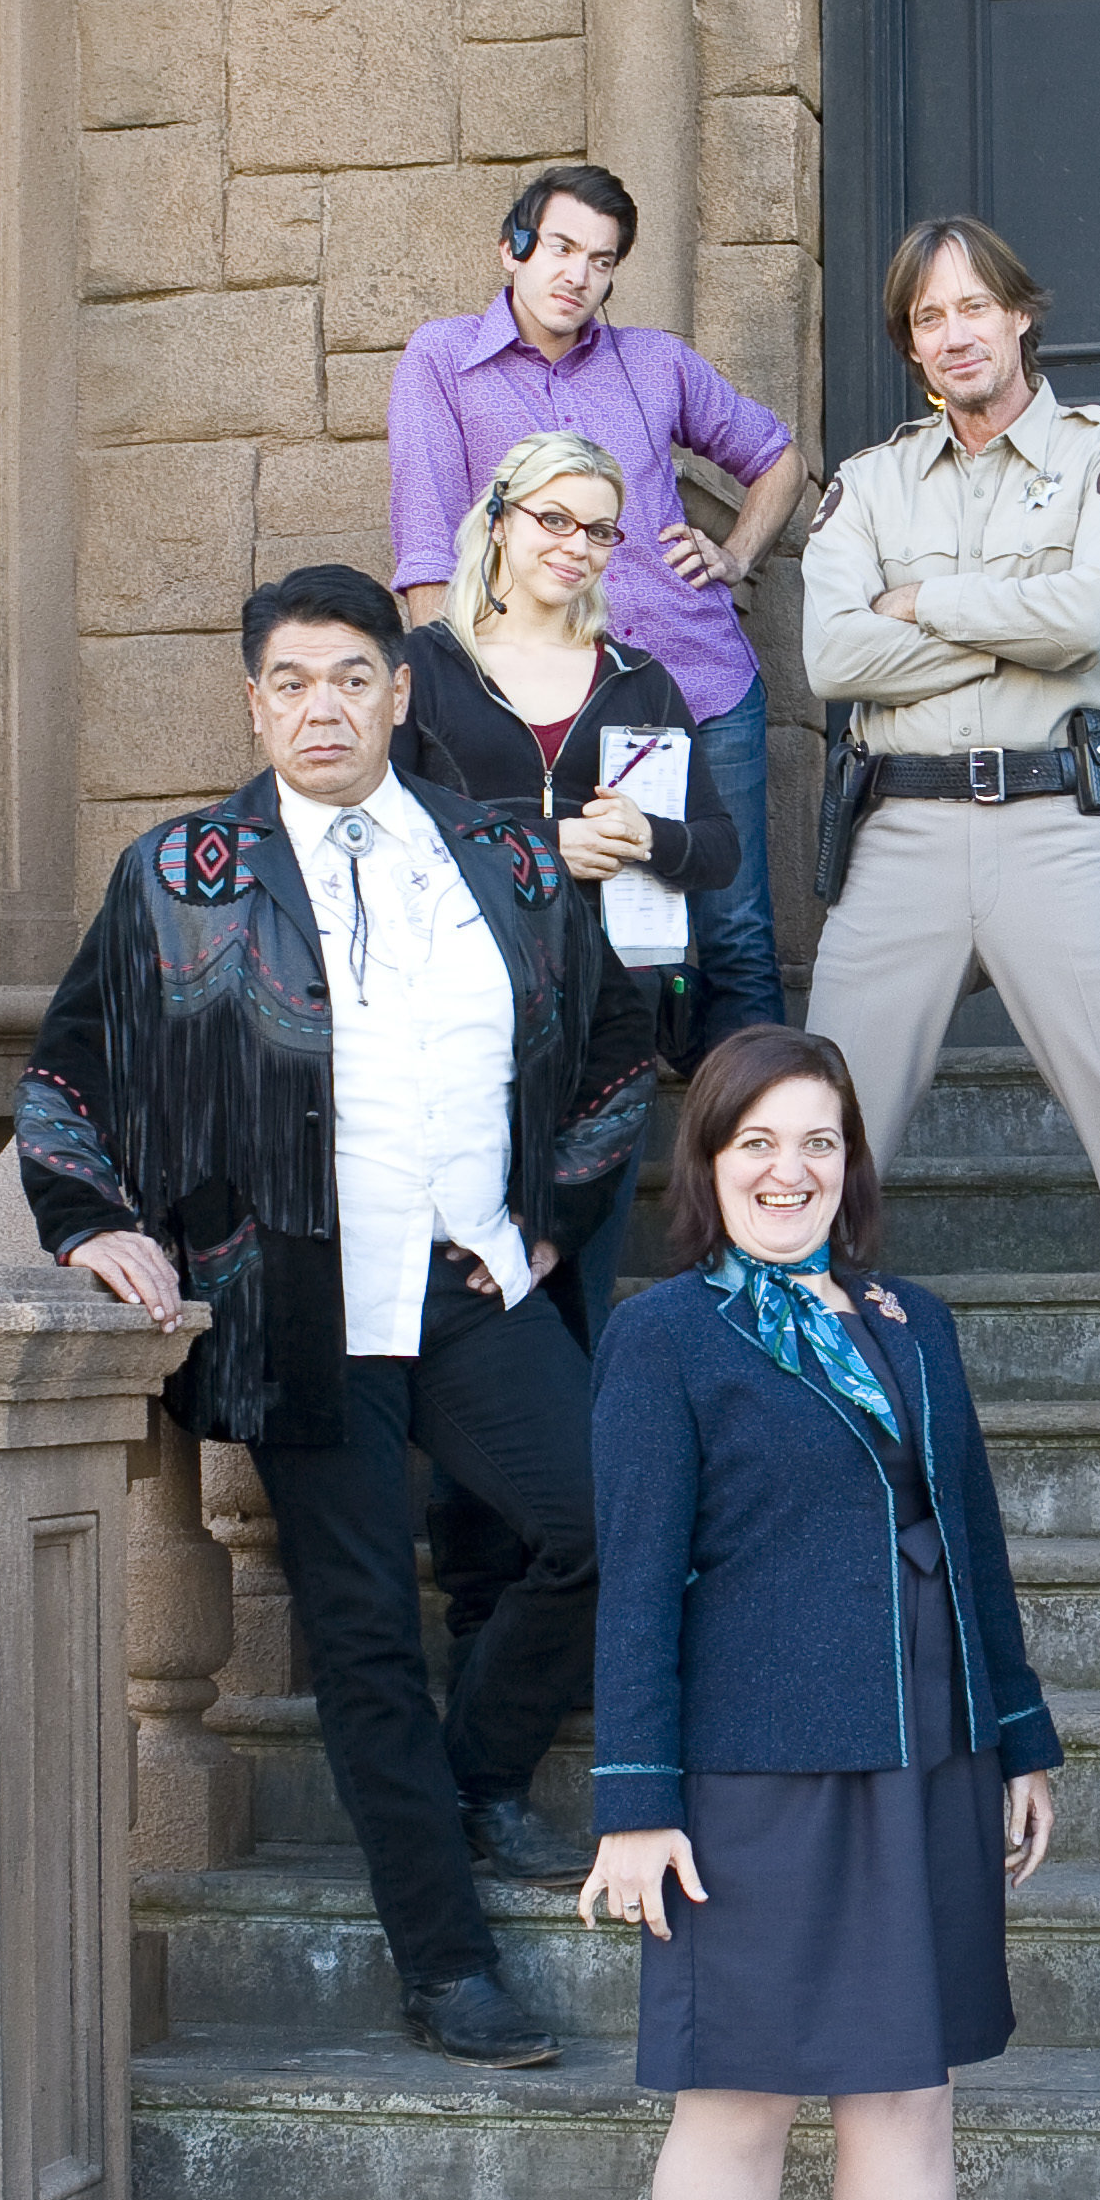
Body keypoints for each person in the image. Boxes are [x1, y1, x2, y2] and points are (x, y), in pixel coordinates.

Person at [16, 564, 655, 2069]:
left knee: (608, 1524)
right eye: (292, 682)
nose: (323, 707)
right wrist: (96, 1222)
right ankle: (449, 1964)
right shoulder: (184, 875)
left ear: (399, 690)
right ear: (255, 700)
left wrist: (548, 1223)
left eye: (351, 678)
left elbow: (621, 1059)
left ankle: (469, 1776)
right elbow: (66, 1077)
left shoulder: (503, 858)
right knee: (365, 1639)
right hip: (294, 1302)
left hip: (466, 1282)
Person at [579, 1027, 1059, 2200]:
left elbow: (969, 1540)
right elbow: (636, 1582)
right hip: (747, 1773)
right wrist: (635, 1802)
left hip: (926, 1752)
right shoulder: (664, 1339)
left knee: (907, 2102)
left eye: (819, 1143)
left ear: (851, 1164)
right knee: (736, 2107)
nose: (790, 1171)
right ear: (707, 1167)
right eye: (756, 1146)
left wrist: (1020, 1736)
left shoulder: (918, 1324)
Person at [803, 215, 1100, 1528]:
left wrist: (920, 604)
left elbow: (1091, 618)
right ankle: (804, 1453)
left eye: (972, 309)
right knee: (808, 1152)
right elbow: (831, 660)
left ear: (1019, 316)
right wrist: (1015, 622)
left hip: (1064, 829)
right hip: (903, 840)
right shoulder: (869, 482)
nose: (954, 335)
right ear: (912, 344)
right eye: (928, 321)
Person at [393, 429, 739, 1679]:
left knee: (567, 1335)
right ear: (500, 513)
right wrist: (545, 839)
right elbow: (385, 837)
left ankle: (558, 1635)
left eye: (598, 528)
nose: (574, 546)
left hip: (594, 1062)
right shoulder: (422, 673)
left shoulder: (637, 683)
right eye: (554, 519)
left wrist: (644, 836)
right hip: (449, 1047)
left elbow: (718, 857)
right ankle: (484, 1617)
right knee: (476, 1332)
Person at [387, 162, 806, 1045]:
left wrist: (732, 555)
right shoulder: (443, 361)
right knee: (565, 932)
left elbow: (778, 458)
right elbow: (427, 545)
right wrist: (444, 703)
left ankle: (754, 1155)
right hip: (546, 704)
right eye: (563, 247)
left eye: (604, 260)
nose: (579, 274)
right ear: (513, 247)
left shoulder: (655, 363)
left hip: (700, 687)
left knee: (731, 936)